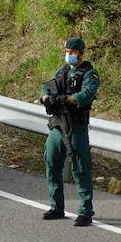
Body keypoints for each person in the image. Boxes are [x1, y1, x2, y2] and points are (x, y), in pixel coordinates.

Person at [39, 36, 98, 226]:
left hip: (76, 125)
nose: (68, 55)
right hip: (58, 123)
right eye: (66, 52)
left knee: (81, 167)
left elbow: (86, 95)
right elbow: (47, 87)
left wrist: (65, 99)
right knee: (52, 161)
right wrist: (46, 98)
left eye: (72, 53)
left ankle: (85, 211)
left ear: (81, 53)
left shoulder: (90, 74)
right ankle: (56, 206)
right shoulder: (61, 71)